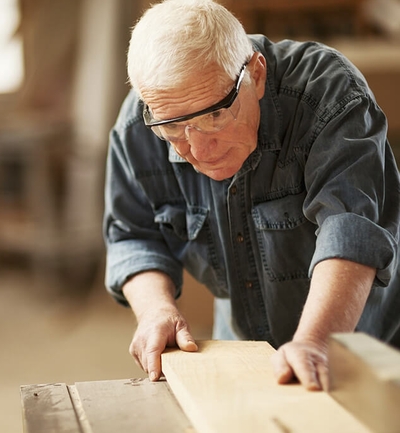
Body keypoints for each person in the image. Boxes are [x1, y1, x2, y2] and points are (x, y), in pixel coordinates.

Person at [103, 0, 400, 391]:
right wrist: (156, 310)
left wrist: (316, 341)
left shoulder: (327, 92)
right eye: (174, 129)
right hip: (245, 351)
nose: (199, 150)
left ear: (256, 74)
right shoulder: (138, 125)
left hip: (360, 342)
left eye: (214, 115)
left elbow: (350, 228)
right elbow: (133, 234)